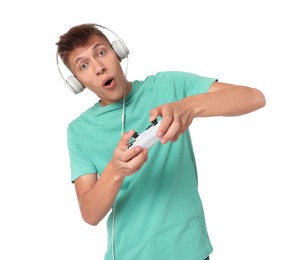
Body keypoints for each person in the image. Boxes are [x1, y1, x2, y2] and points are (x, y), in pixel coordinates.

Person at [56, 23, 266, 260]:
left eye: (101, 52)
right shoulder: (79, 131)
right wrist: (116, 170)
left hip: (191, 252)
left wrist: (188, 106)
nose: (98, 68)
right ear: (78, 82)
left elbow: (254, 97)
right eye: (83, 65)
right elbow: (90, 214)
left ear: (118, 52)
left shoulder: (168, 85)